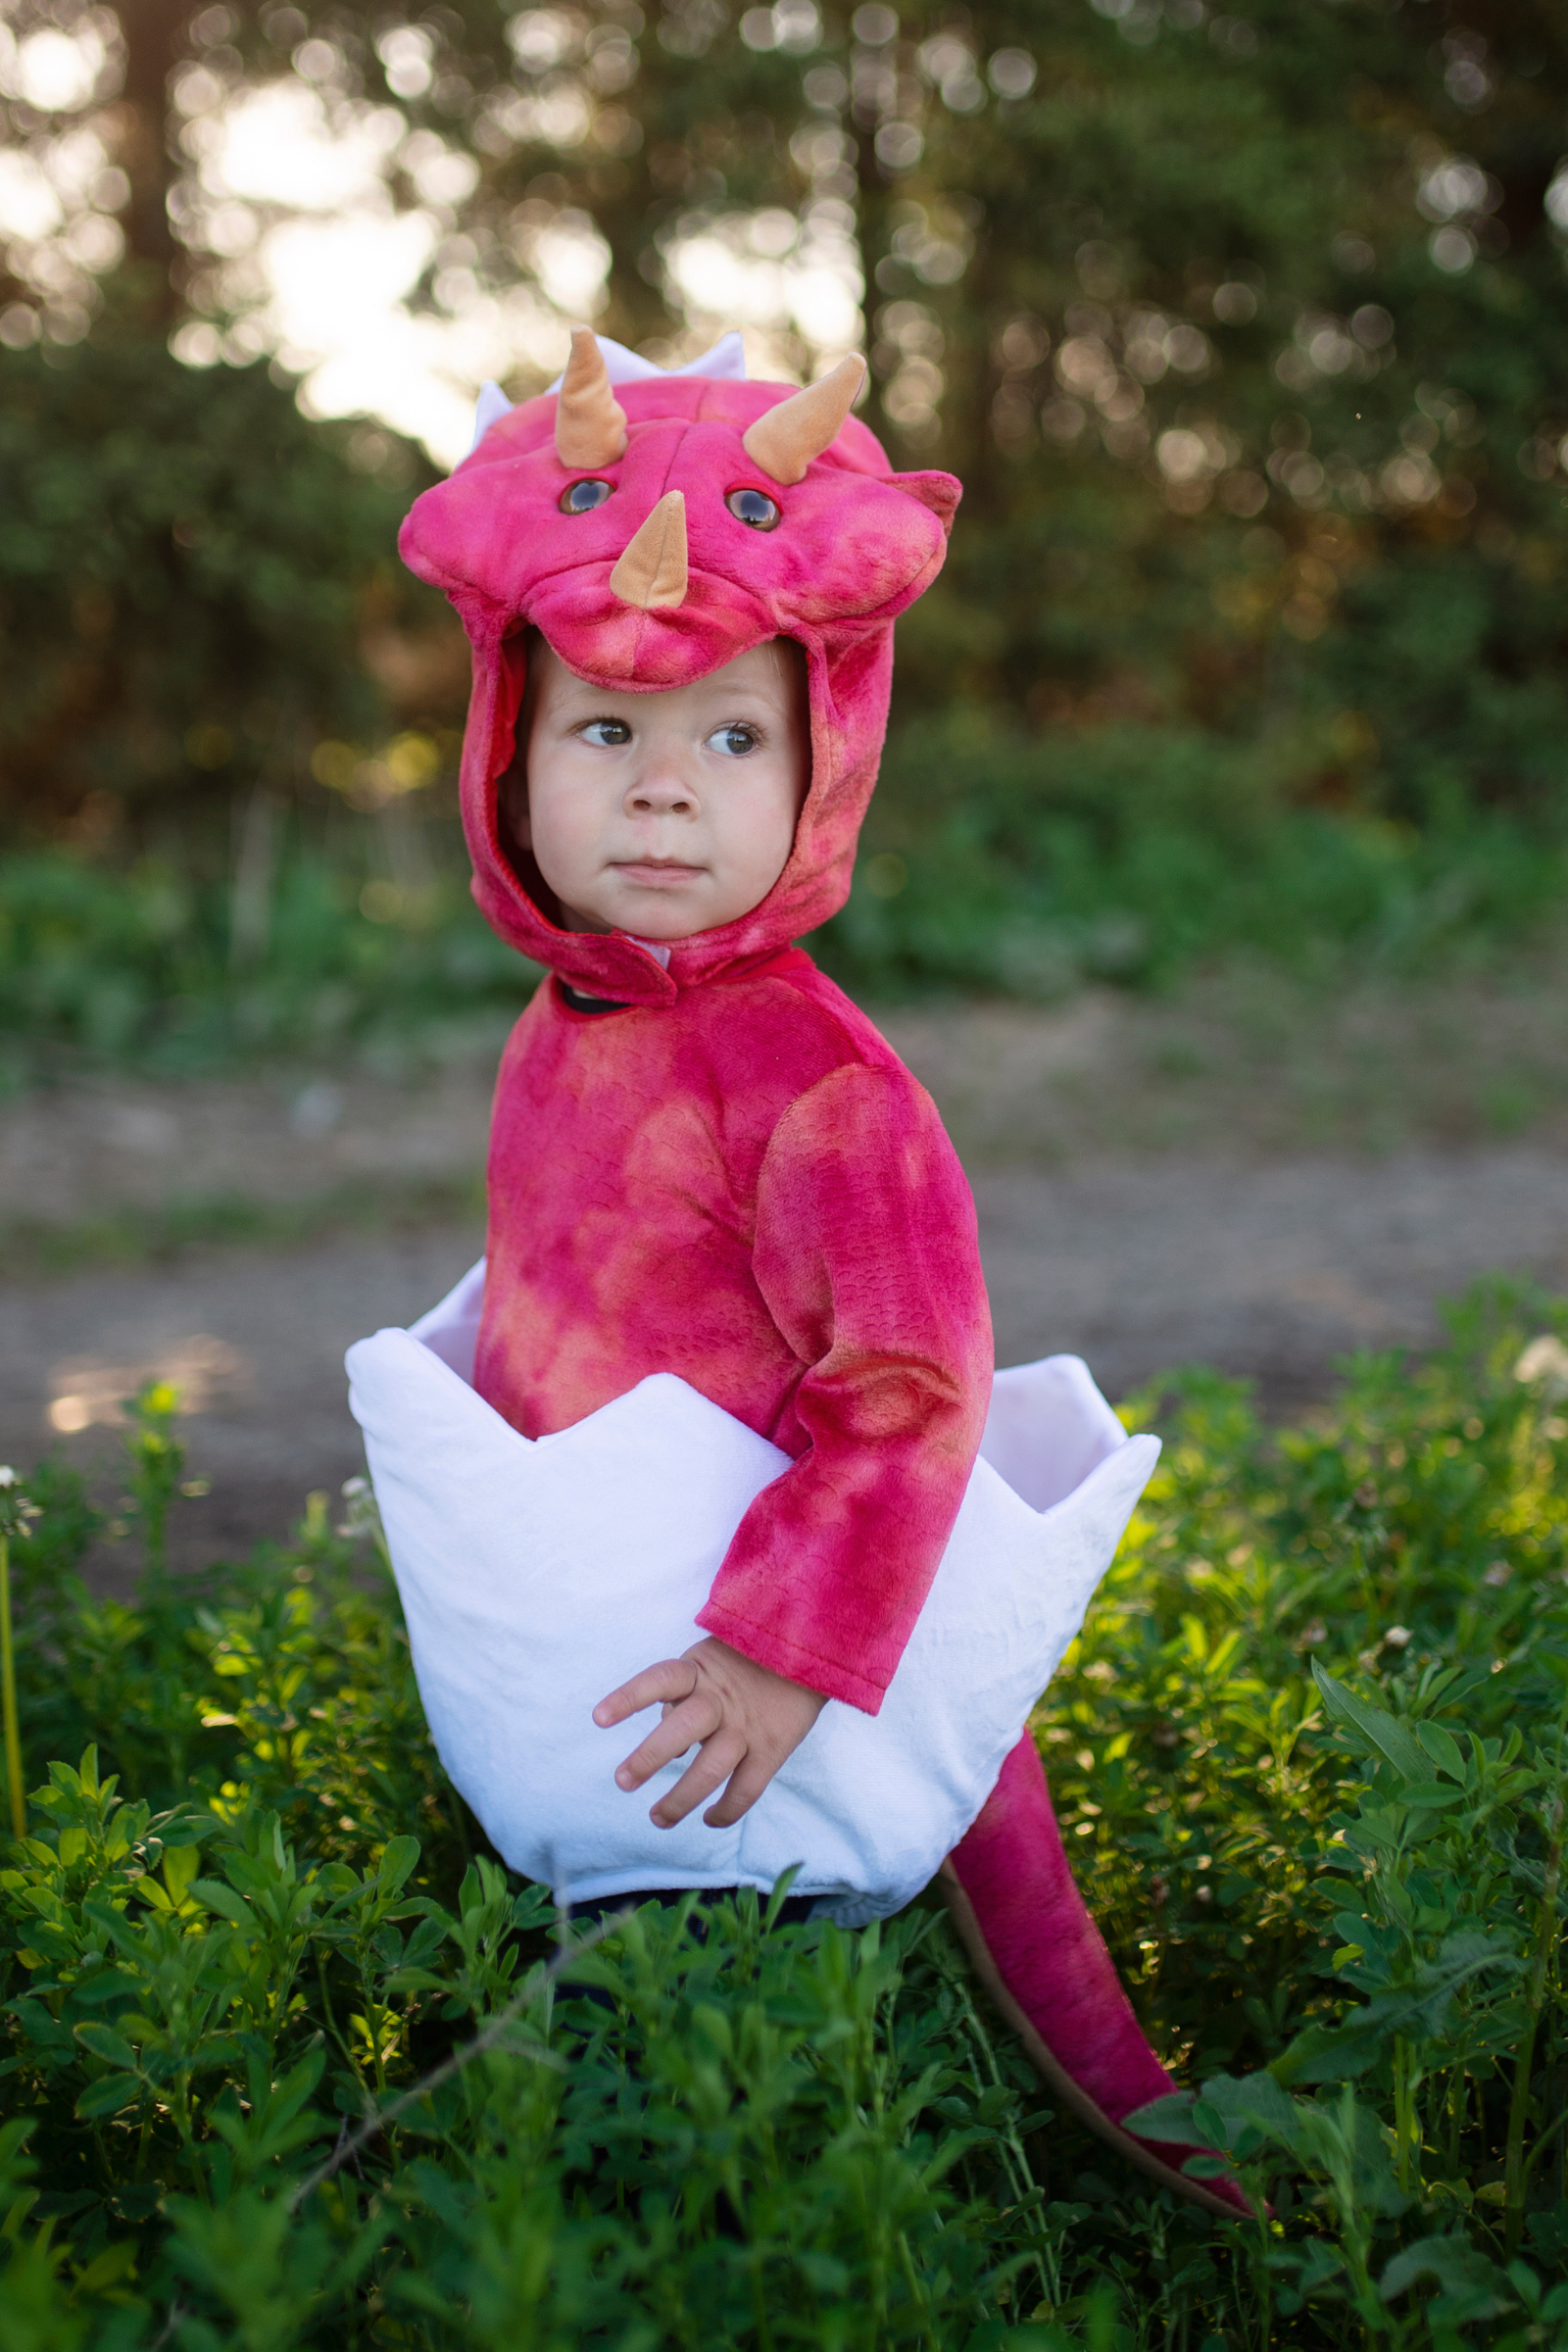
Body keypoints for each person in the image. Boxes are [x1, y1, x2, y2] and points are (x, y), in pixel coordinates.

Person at [389, 330, 1247, 2218]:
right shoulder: (571, 1017)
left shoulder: (821, 1084)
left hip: (784, 1648)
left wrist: (786, 1659)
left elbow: (911, 1387)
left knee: (857, 1988)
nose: (668, 792)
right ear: (511, 751)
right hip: (631, 1623)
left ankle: (1134, 2213)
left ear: (826, 757)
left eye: (733, 738)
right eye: (610, 728)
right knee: (635, 1948)